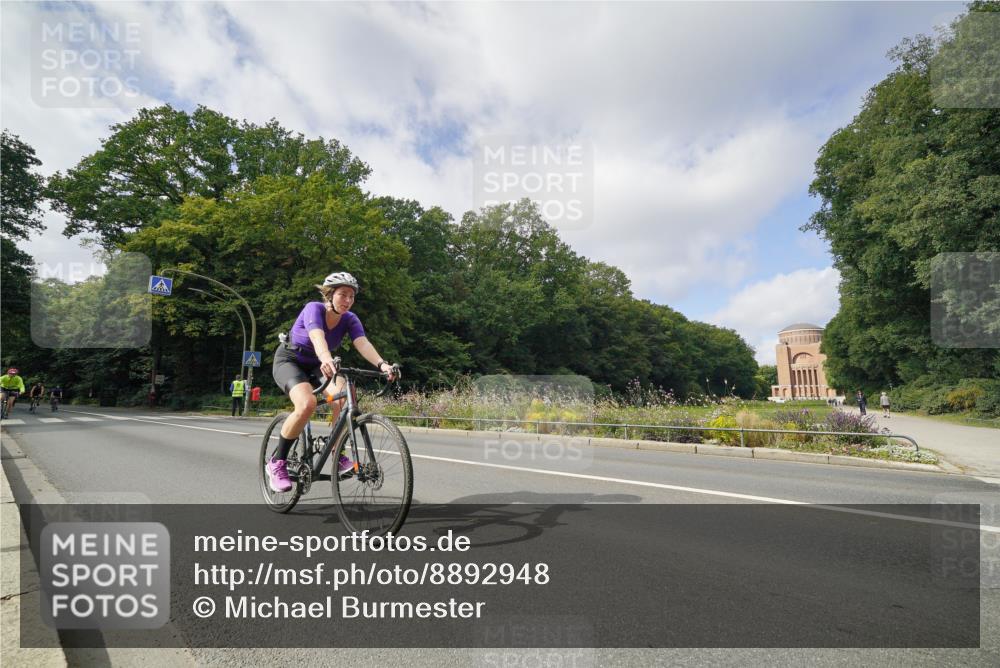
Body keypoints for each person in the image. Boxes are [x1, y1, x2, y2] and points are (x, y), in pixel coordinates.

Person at [267, 272, 397, 493]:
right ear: (329, 294)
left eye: (351, 297)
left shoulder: (350, 319)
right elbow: (317, 336)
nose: (347, 301)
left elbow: (362, 343)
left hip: (320, 363)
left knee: (345, 396)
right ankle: (277, 463)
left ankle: (338, 455)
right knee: (307, 404)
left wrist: (383, 365)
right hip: (291, 360)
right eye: (342, 295)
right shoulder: (313, 309)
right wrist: (326, 358)